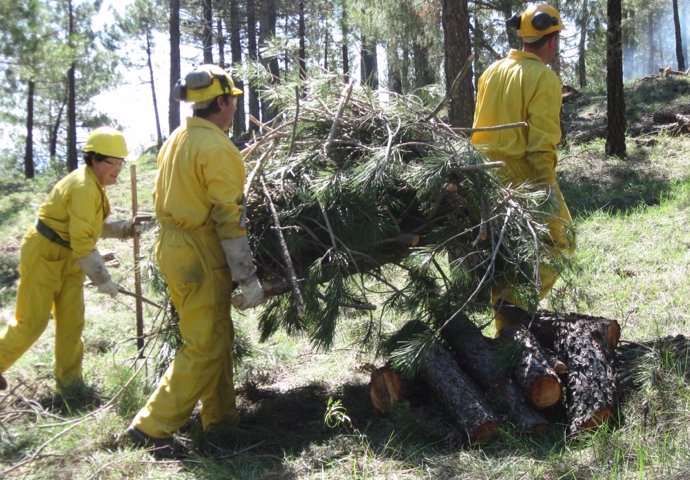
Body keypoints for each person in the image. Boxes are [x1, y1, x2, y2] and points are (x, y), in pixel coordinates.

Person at [126, 64, 265, 456]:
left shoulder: (177, 138)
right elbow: (229, 216)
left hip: (174, 246)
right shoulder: (217, 147)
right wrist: (246, 276)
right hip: (200, 250)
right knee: (203, 344)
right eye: (233, 101)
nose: (235, 108)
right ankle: (152, 427)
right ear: (221, 101)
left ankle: (220, 422)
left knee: (215, 336)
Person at [0, 127, 139, 394]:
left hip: (69, 256)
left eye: (122, 162)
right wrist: (103, 280)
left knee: (72, 322)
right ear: (95, 159)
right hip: (45, 253)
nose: (118, 169)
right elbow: (84, 244)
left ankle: (70, 385)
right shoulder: (83, 187)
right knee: (31, 323)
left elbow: (89, 227)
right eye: (113, 162)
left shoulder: (94, 186)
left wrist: (125, 228)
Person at [471, 4, 575, 334]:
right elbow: (541, 143)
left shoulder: (491, 71)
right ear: (552, 40)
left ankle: (507, 335)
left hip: (485, 175)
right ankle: (515, 308)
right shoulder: (543, 77)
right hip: (524, 174)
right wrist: (546, 189)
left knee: (504, 252)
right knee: (563, 240)